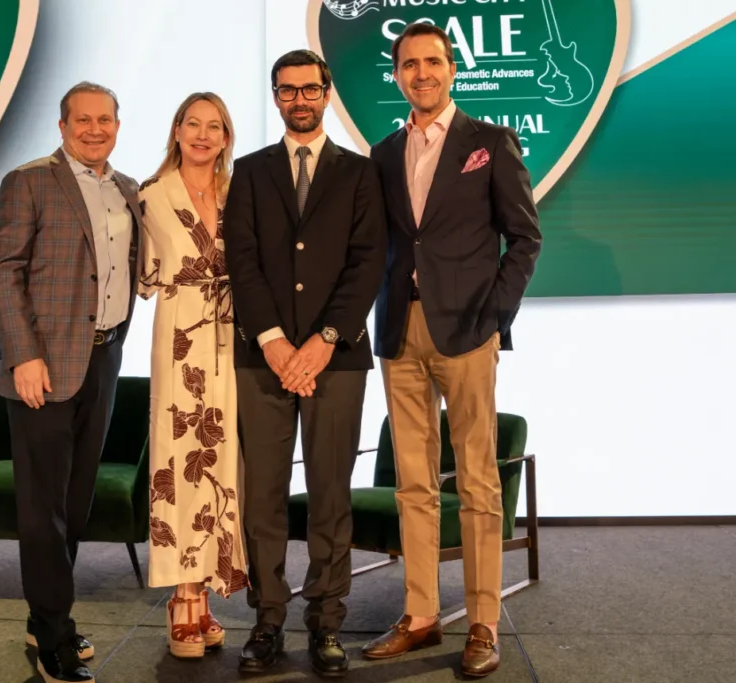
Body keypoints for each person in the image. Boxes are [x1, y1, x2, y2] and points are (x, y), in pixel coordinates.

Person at [360, 23, 542, 678]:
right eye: (409, 64)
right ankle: (420, 615)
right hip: (399, 330)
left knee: (478, 480)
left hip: (467, 331)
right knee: (412, 482)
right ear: (397, 75)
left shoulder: (489, 142)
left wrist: (494, 316)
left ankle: (483, 621)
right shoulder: (383, 153)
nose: (422, 73)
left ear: (452, 68)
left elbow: (525, 238)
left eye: (432, 61)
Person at [224, 49, 387, 678]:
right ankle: (267, 619)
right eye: (288, 90)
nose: (299, 99)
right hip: (261, 359)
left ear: (326, 92)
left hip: (336, 360)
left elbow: (367, 262)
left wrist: (322, 340)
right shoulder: (249, 171)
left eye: (309, 89)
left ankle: (327, 621)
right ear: (275, 96)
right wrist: (273, 341)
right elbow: (242, 261)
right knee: (262, 496)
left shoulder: (361, 172)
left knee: (330, 493)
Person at [0, 82, 141, 683]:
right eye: (83, 120)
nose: (94, 129)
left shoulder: (127, 189)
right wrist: (22, 355)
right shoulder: (28, 181)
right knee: (43, 506)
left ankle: (43, 616)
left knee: (75, 502)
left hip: (104, 358)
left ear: (118, 126)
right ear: (62, 125)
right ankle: (53, 636)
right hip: (43, 366)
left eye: (105, 120)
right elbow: (3, 272)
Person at [136, 92, 248, 659]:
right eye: (193, 124)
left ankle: (203, 593)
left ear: (226, 137)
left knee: (221, 464)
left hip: (234, 338)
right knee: (180, 460)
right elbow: (141, 277)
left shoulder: (240, 193)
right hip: (181, 337)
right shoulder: (149, 196)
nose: (203, 135)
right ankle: (181, 595)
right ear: (177, 129)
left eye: (215, 126)